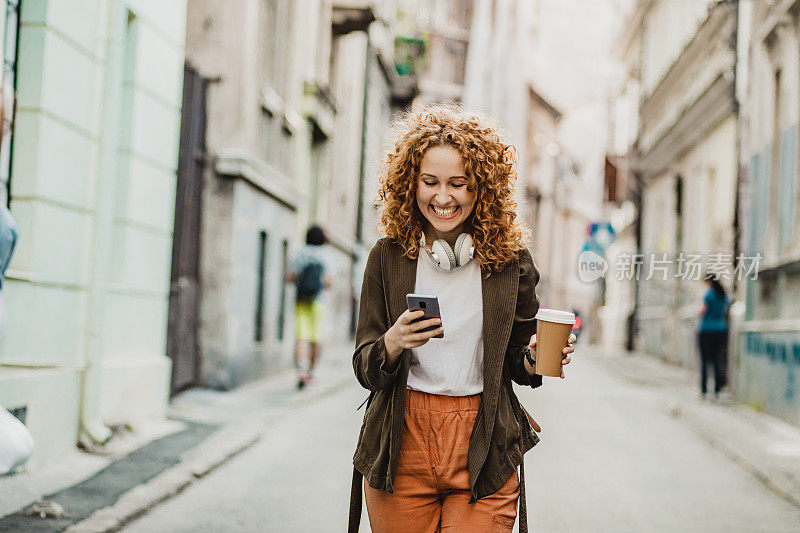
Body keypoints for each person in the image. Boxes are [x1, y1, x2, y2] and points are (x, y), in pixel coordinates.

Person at [348, 105, 576, 533]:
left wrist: (536, 358)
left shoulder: (512, 264)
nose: (442, 197)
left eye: (459, 184)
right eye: (429, 182)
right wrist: (393, 342)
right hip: (402, 443)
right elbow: (365, 366)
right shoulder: (388, 258)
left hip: (484, 441)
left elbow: (519, 361)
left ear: (482, 188)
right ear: (410, 183)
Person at [288, 225, 332, 389]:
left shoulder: (300, 253)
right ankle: (311, 373)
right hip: (318, 301)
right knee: (316, 337)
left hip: (301, 300)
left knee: (302, 335)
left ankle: (301, 370)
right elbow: (329, 282)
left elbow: (291, 276)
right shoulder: (326, 256)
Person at [698, 274, 730, 401]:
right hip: (720, 329)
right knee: (718, 360)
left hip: (707, 330)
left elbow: (702, 311)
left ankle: (704, 391)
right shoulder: (723, 294)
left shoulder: (709, 294)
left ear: (709, 281)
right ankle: (717, 390)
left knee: (705, 361)